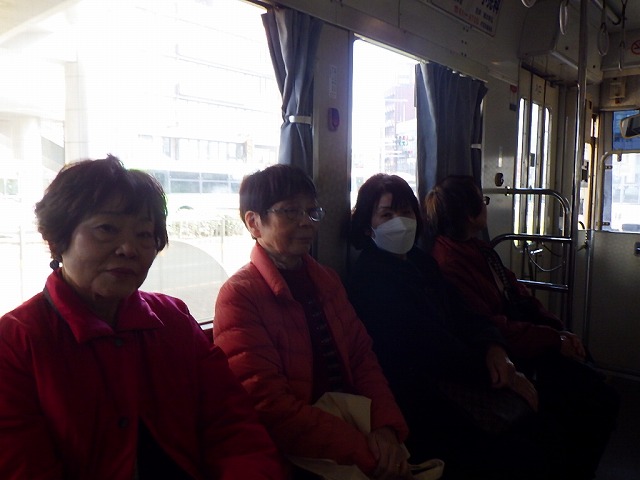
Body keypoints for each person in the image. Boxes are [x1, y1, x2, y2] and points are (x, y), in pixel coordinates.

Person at [0, 156, 285, 480]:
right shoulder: (16, 342)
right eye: (107, 229)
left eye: (144, 234)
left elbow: (233, 427)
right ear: (59, 238)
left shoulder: (173, 320)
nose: (129, 248)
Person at [347, 173, 576, 480]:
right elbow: (432, 348)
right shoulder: (370, 280)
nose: (399, 222)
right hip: (422, 396)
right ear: (368, 226)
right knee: (531, 449)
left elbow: (465, 312)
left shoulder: (419, 262)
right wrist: (498, 375)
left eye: (405, 212)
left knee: (550, 428)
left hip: (460, 373)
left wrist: (494, 348)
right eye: (387, 215)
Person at [213, 164, 411, 480]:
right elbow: (270, 407)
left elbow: (362, 358)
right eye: (290, 211)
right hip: (294, 449)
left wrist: (385, 427)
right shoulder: (239, 295)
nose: (306, 222)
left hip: (350, 422)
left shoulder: (326, 280)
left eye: (311, 211)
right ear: (254, 223)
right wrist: (362, 450)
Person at [425, 174, 619, 480]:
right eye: (483, 201)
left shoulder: (479, 249)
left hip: (524, 339)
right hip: (511, 351)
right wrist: (553, 340)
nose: (486, 206)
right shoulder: (450, 263)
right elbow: (492, 325)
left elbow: (518, 293)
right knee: (599, 399)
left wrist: (558, 330)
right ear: (471, 215)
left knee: (591, 380)